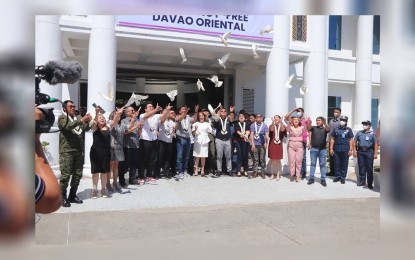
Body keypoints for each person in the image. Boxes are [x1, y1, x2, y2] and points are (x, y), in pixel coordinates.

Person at [58, 100, 93, 207]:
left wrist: (90, 121)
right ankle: (62, 197)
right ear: (65, 108)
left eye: (74, 106)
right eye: (70, 106)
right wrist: (82, 119)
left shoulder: (77, 118)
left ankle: (72, 195)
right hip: (67, 151)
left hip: (78, 151)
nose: (73, 108)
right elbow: (67, 127)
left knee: (78, 174)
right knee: (65, 175)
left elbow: (86, 128)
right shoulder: (62, 118)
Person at [138, 102, 171, 184]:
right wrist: (156, 109)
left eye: (152, 106)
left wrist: (167, 110)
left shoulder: (156, 116)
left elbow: (163, 118)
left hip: (154, 140)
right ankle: (141, 176)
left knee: (152, 159)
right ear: (145, 109)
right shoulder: (142, 115)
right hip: (145, 140)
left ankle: (150, 175)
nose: (151, 107)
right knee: (143, 159)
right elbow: (146, 116)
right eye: (149, 107)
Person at [90, 109, 112, 198]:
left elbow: (114, 121)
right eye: (100, 117)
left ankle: (103, 189)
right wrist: (96, 113)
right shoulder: (94, 128)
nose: (102, 118)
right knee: (95, 172)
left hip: (106, 153)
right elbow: (94, 122)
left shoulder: (108, 127)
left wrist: (118, 113)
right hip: (95, 153)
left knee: (104, 172)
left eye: (103, 117)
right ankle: (95, 190)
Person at [284, 110, 311, 182]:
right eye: (294, 120)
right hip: (291, 144)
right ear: (292, 121)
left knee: (299, 161)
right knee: (292, 161)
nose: (295, 120)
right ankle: (292, 174)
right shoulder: (290, 127)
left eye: (297, 119)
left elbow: (308, 127)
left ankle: (298, 175)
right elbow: (286, 129)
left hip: (299, 144)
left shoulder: (302, 127)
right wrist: (289, 123)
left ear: (299, 121)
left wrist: (308, 122)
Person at [120, 106, 142, 186]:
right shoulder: (124, 121)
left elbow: (139, 134)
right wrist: (135, 126)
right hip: (127, 145)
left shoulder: (137, 120)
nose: (133, 111)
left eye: (134, 110)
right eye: (131, 110)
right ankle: (121, 180)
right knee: (124, 164)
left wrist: (140, 128)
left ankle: (132, 179)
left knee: (134, 163)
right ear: (127, 112)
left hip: (135, 145)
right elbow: (125, 132)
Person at [353, 120, 379, 189]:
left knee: (369, 168)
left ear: (369, 126)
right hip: (360, 151)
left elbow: (376, 144)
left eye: (366, 124)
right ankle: (362, 181)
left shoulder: (372, 133)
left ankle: (370, 183)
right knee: (361, 167)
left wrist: (375, 153)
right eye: (363, 124)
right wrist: (354, 150)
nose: (364, 125)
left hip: (369, 151)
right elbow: (354, 141)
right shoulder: (359, 133)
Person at [330, 115, 354, 184]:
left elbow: (351, 140)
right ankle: (337, 176)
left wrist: (351, 149)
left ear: (346, 122)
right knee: (337, 163)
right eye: (341, 120)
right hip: (336, 148)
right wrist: (331, 148)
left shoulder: (348, 129)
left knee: (344, 163)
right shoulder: (336, 129)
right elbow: (332, 139)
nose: (342, 121)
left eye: (343, 120)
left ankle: (343, 177)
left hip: (345, 149)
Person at [307, 116, 330, 187]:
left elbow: (328, 129)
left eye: (319, 120)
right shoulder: (313, 128)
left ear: (322, 121)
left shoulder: (324, 129)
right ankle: (311, 178)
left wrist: (325, 123)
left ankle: (323, 179)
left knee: (322, 164)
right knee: (313, 164)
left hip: (322, 149)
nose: (317, 122)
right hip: (314, 149)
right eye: (317, 120)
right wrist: (309, 123)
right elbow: (308, 128)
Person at [175, 105, 197, 180]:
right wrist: (185, 113)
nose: (184, 110)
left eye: (185, 109)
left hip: (188, 139)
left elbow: (194, 120)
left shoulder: (188, 118)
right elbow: (179, 120)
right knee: (180, 156)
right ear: (180, 111)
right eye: (183, 109)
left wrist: (196, 111)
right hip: (180, 139)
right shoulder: (177, 117)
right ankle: (180, 171)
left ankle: (185, 170)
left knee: (186, 156)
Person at [213, 106, 235, 177]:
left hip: (227, 140)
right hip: (219, 140)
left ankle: (229, 170)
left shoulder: (228, 119)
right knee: (219, 156)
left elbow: (232, 119)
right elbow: (216, 119)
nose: (223, 112)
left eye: (224, 111)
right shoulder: (217, 119)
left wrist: (231, 111)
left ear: (226, 113)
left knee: (228, 157)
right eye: (222, 111)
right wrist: (219, 110)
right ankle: (219, 170)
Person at [106, 107, 125, 192]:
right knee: (110, 165)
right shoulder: (110, 122)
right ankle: (108, 183)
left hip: (119, 148)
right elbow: (112, 123)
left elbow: (127, 130)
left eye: (119, 115)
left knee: (116, 165)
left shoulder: (120, 125)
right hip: (111, 147)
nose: (118, 116)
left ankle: (115, 182)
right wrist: (118, 113)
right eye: (116, 115)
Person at [192, 112, 213, 177]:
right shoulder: (195, 124)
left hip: (205, 140)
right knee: (197, 156)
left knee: (203, 156)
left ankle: (202, 170)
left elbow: (211, 131)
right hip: (197, 140)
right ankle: (196, 169)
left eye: (202, 116)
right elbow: (193, 133)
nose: (201, 117)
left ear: (204, 117)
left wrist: (213, 132)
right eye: (200, 116)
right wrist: (195, 130)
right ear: (198, 117)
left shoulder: (207, 124)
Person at [249, 113, 269, 179]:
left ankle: (263, 172)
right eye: (257, 117)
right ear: (255, 118)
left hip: (262, 144)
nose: (258, 118)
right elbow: (251, 135)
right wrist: (252, 144)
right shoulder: (252, 125)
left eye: (260, 117)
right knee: (255, 159)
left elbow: (266, 135)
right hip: (255, 144)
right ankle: (255, 171)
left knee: (262, 159)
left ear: (261, 118)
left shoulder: (265, 126)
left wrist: (266, 142)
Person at [158, 109, 176, 178]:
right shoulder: (161, 120)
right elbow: (161, 121)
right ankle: (157, 171)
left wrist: (177, 121)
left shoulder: (171, 121)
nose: (171, 114)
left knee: (168, 158)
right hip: (162, 141)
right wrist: (166, 113)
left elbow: (176, 127)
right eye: (169, 112)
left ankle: (166, 172)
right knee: (160, 157)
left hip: (169, 141)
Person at [268, 115, 286, 180]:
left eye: (277, 118)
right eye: (274, 118)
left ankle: (278, 174)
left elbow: (282, 129)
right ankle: (272, 174)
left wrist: (281, 122)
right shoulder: (271, 125)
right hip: (272, 144)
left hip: (279, 145)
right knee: (272, 160)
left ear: (279, 119)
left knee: (278, 160)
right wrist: (273, 122)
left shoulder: (282, 126)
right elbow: (272, 129)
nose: (275, 119)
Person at [327, 107, 341, 176]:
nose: (335, 113)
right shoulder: (331, 121)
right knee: (331, 157)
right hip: (331, 141)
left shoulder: (341, 121)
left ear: (340, 113)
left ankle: (338, 172)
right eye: (335, 112)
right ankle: (332, 171)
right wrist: (327, 140)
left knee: (338, 157)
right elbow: (329, 131)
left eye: (337, 112)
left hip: (338, 142)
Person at [202, 108, 216, 175]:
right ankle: (204, 168)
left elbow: (217, 119)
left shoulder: (212, 119)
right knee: (204, 153)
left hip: (211, 137)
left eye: (206, 112)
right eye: (204, 112)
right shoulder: (201, 120)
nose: (205, 113)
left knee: (212, 153)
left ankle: (212, 168)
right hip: (203, 137)